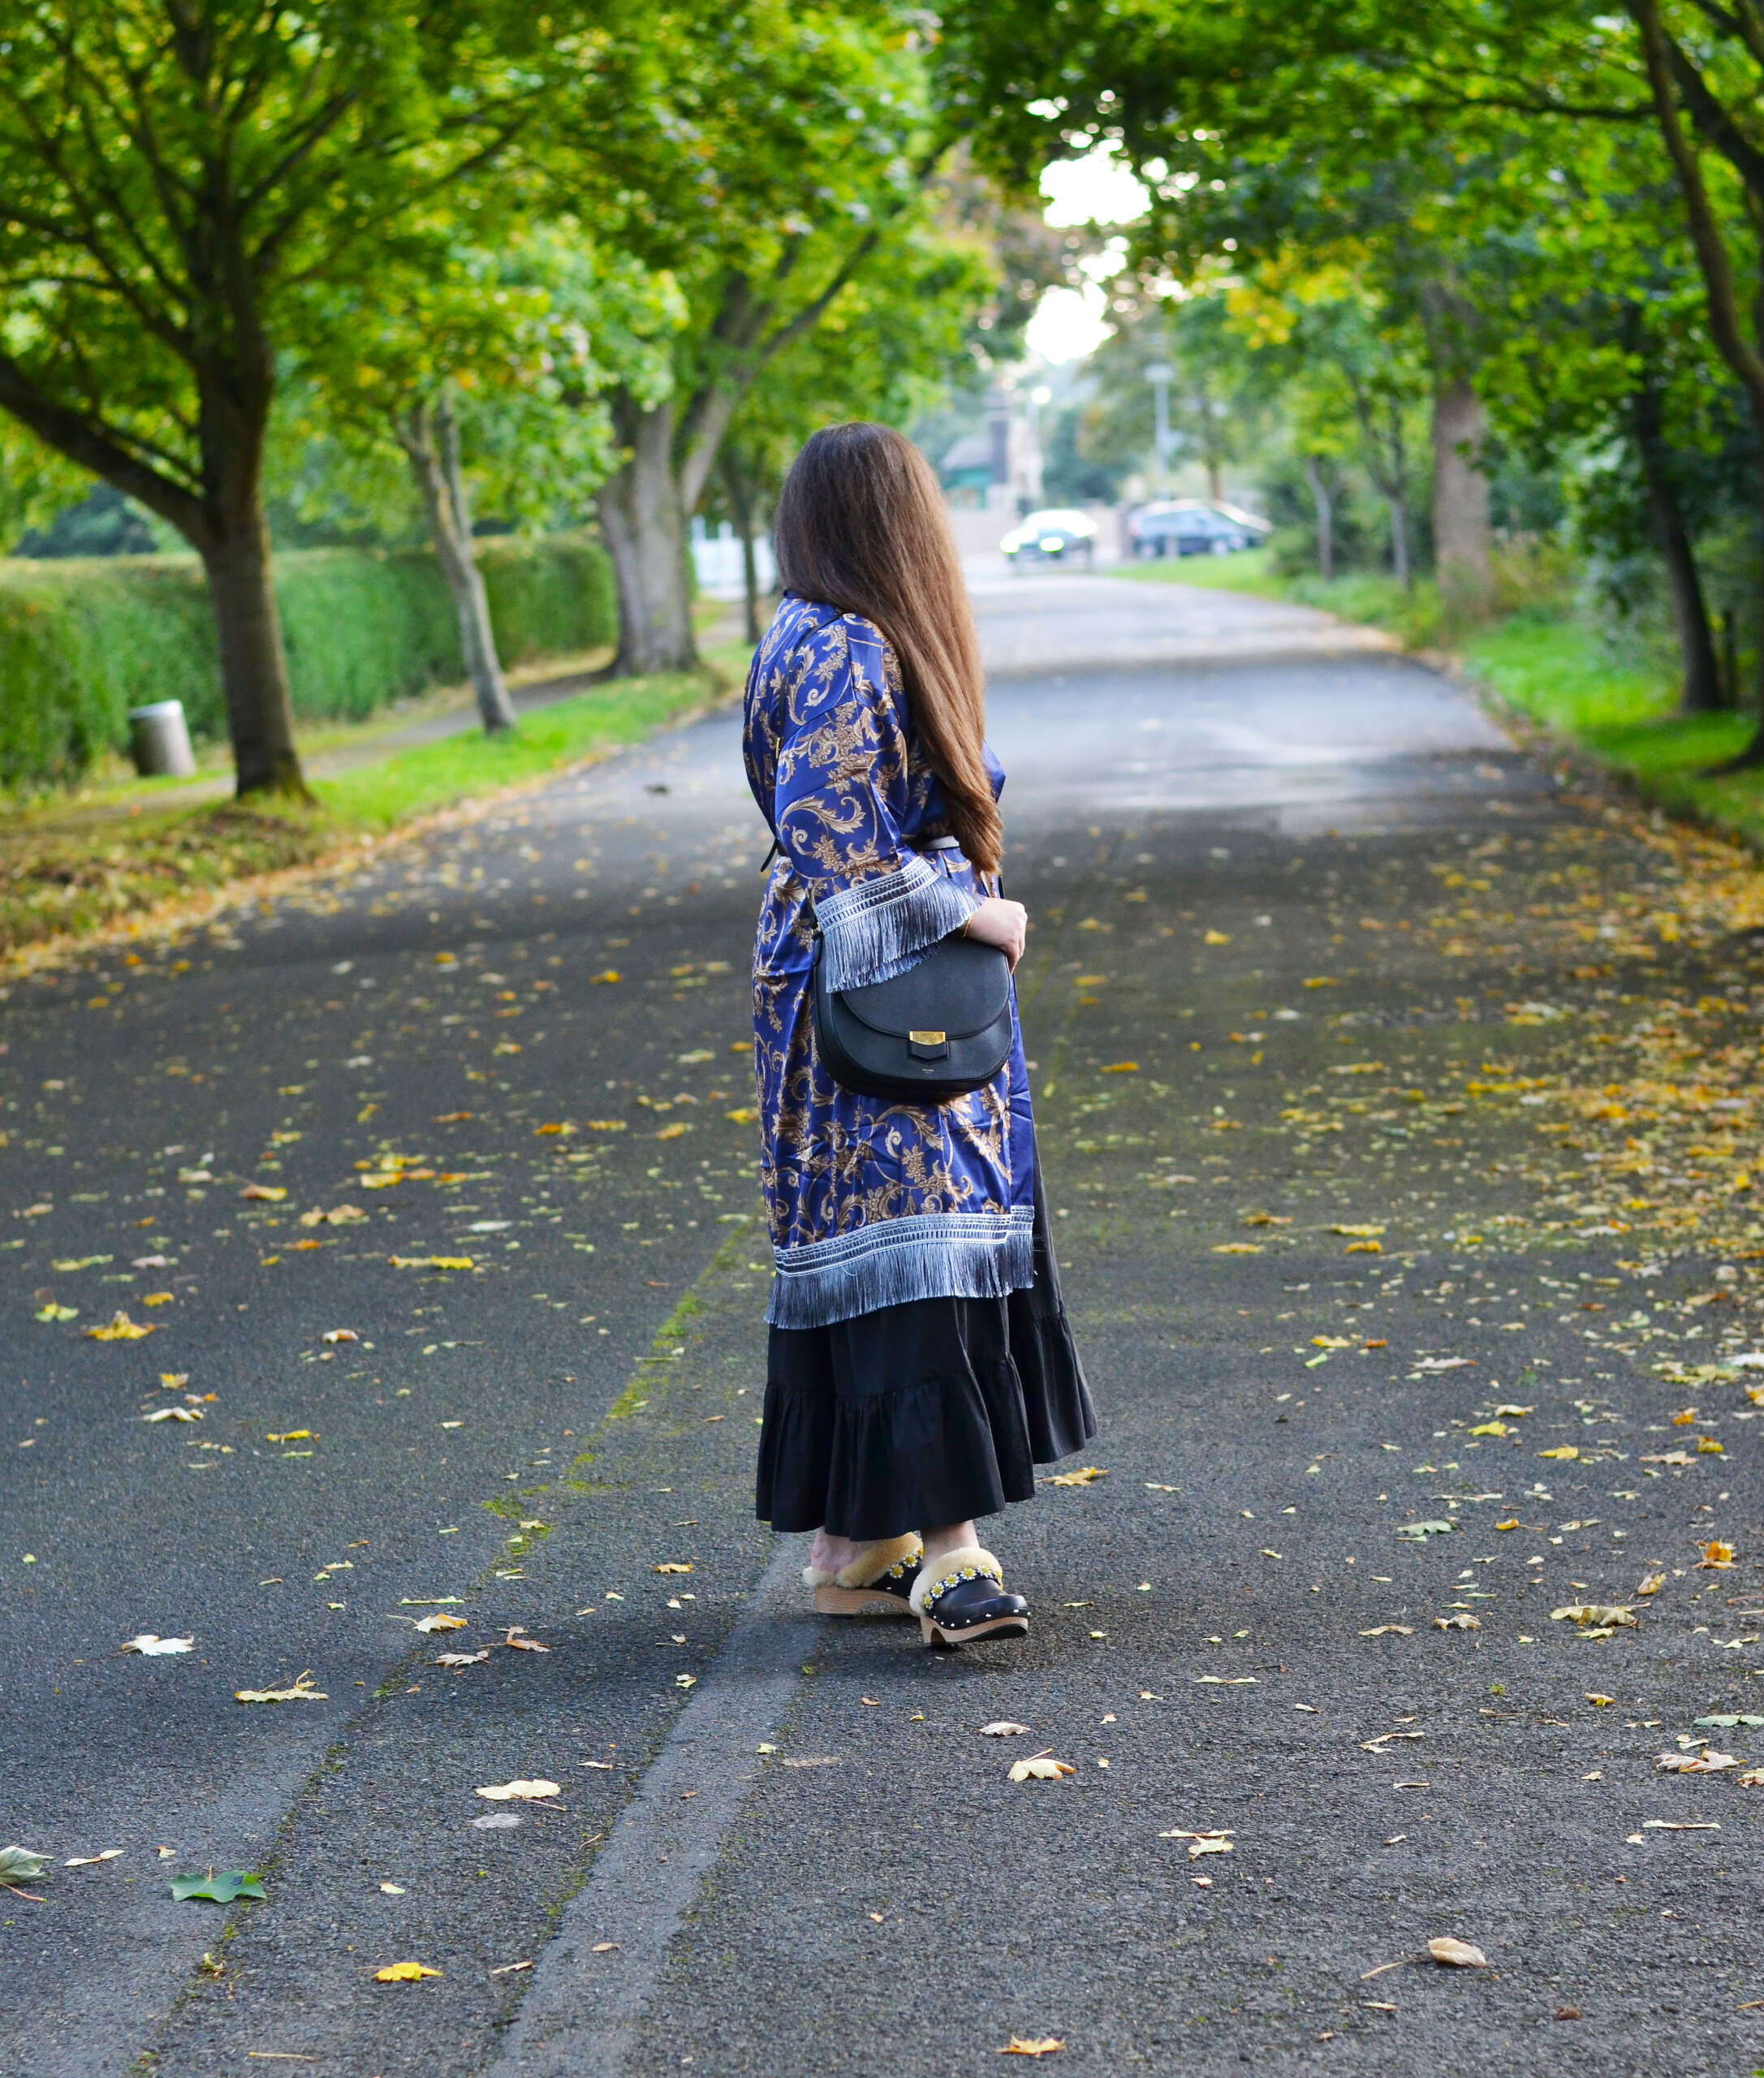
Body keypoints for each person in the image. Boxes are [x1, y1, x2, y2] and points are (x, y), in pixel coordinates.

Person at [743, 421, 1095, 1649]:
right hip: (882, 985)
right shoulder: (846, 643)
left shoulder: (804, 627)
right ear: (895, 521)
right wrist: (977, 910)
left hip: (832, 987)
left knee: (863, 1246)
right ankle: (950, 1557)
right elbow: (834, 841)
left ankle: (855, 1548)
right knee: (921, 1241)